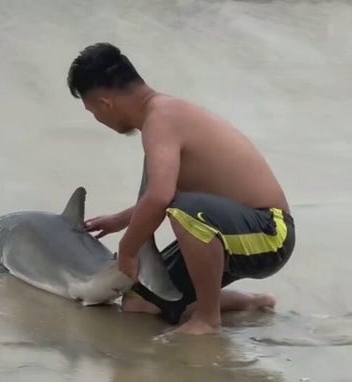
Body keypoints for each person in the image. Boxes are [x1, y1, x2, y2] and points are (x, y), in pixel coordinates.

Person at [66, 42, 296, 335]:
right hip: (227, 229)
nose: (97, 119)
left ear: (104, 103)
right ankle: (252, 303)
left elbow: (162, 199)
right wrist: (119, 220)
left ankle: (207, 318)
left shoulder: (161, 120)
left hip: (271, 233)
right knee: (141, 303)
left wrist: (127, 249)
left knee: (186, 211)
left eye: (91, 111)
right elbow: (162, 195)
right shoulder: (161, 119)